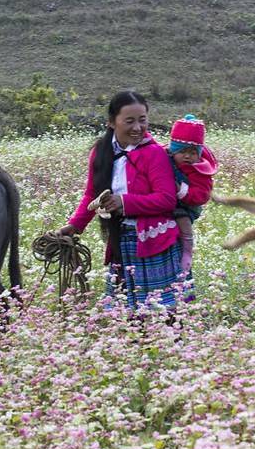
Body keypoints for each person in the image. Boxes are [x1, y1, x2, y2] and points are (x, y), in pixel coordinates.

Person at [58, 91, 185, 309]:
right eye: (129, 121)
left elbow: (166, 199)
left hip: (154, 241)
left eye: (142, 120)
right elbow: (92, 195)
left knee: (164, 313)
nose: (137, 127)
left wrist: (123, 203)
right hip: (122, 241)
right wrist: (74, 226)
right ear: (111, 122)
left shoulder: (154, 153)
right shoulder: (101, 152)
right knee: (127, 312)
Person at [166, 114, 218, 273]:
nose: (187, 156)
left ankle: (187, 251)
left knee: (183, 220)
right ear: (173, 150)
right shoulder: (166, 159)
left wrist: (180, 190)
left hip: (188, 206)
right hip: (169, 203)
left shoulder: (201, 170)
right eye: (182, 151)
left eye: (193, 153)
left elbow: (202, 195)